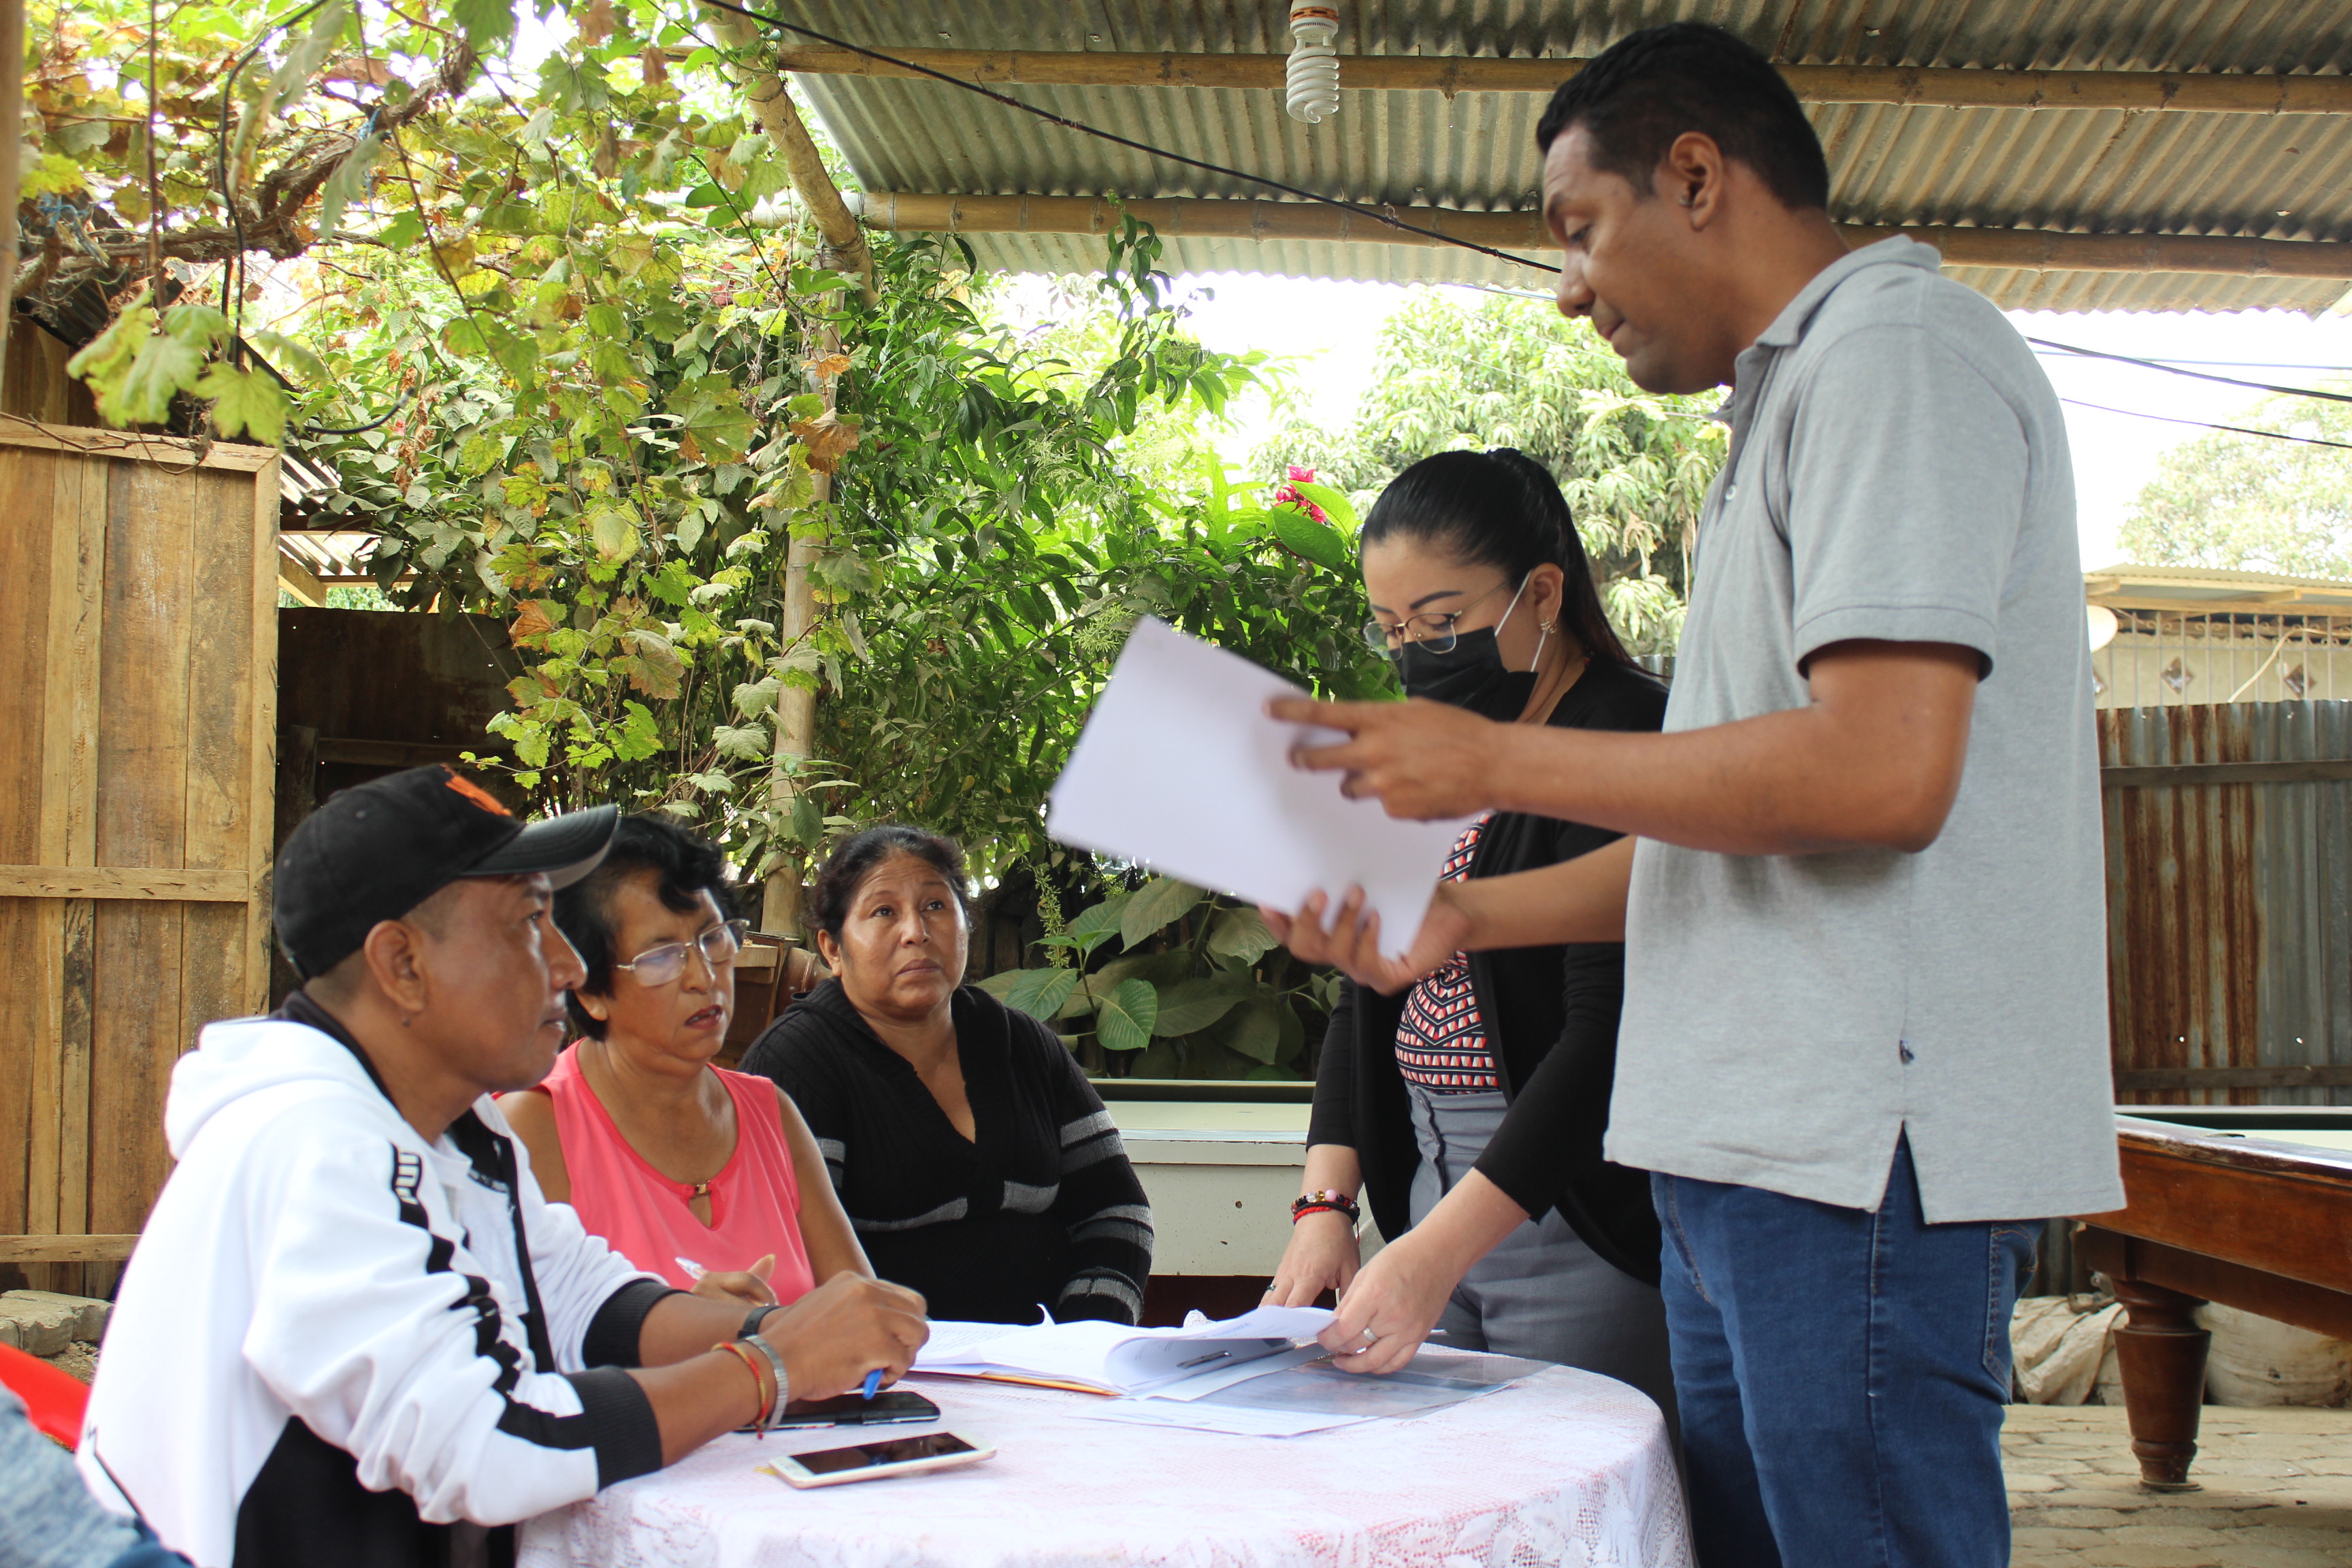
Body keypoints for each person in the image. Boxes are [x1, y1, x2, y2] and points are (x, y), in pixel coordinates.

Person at [1266, 24, 2119, 1568]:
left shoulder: (1893, 356)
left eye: (1579, 228)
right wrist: (1466, 917)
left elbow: (1878, 773)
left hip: (1851, 1148)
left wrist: (1494, 762)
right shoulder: (1783, 409)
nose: (1568, 286)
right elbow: (1734, 830)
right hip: (1738, 1152)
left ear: (1697, 176)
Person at [78, 766, 928, 1568]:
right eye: (528, 924)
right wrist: (769, 1370)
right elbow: (484, 1444)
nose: (567, 964)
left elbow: (580, 1298)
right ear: (402, 965)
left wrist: (779, 1331)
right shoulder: (313, 1147)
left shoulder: (454, 1128)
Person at [1262, 448, 1675, 1422]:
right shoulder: (1429, 748)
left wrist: (1441, 1250)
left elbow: (1606, 1033)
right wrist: (1327, 1204)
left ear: (1543, 594)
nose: (1416, 653)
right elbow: (1364, 996)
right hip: (1425, 1177)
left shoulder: (1624, 736)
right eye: (1392, 628)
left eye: (1442, 622)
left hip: (1572, 1201)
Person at [742, 826, 1154, 1324]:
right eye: (884, 912)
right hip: (886, 1362)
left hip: (1056, 1358)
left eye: (935, 905)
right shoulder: (795, 1064)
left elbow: (1117, 1212)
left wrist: (1089, 1335)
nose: (916, 932)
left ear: (966, 926)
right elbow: (783, 1258)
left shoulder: (1022, 1044)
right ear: (832, 950)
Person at [498, 814, 868, 1308]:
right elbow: (514, 1338)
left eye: (713, 938)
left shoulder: (770, 1112)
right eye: (661, 957)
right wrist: (676, 1328)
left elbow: (862, 1308)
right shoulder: (533, 1126)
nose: (703, 976)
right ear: (588, 990)